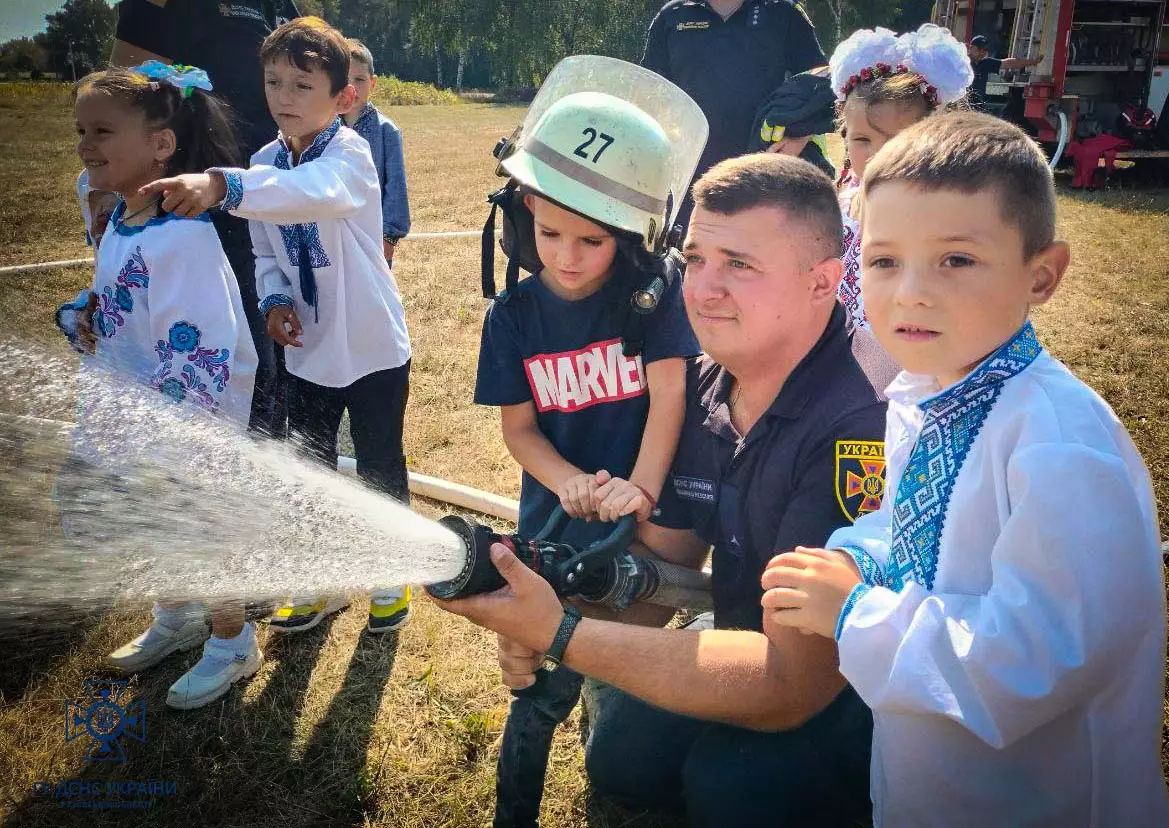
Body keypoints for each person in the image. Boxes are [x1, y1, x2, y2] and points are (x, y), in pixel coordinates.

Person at [438, 153, 899, 827]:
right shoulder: (712, 385)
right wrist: (547, 622)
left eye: (739, 264)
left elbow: (793, 684)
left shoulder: (859, 420)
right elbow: (666, 561)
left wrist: (562, 632)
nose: (702, 288)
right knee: (623, 761)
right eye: (694, 256)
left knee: (731, 793)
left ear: (821, 282)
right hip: (752, 634)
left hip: (849, 681)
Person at [761, 112, 1169, 826]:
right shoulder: (926, 388)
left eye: (955, 260)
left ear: (1040, 276)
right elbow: (928, 535)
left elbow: (1041, 659)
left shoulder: (1057, 442)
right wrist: (859, 555)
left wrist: (857, 614)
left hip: (1039, 796)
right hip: (934, 773)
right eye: (884, 260)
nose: (910, 292)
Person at [139, 17, 414, 634]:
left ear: (343, 97)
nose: (284, 98)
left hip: (371, 345)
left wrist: (219, 184)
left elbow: (309, 193)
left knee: (378, 464)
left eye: (302, 85)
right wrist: (271, 302)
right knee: (311, 466)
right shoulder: (263, 162)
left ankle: (390, 577)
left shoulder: (350, 154)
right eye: (274, 82)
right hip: (307, 347)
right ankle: (317, 583)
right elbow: (264, 250)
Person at [474, 84, 701, 827]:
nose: (567, 258)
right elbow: (519, 432)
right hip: (552, 521)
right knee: (533, 683)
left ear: (632, 238)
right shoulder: (512, 318)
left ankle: (611, 733)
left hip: (642, 520)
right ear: (522, 218)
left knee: (612, 656)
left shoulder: (653, 299)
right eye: (550, 236)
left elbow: (670, 398)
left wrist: (639, 489)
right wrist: (570, 484)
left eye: (592, 241)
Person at [58, 63, 261, 710]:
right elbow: (121, 297)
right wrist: (85, 310)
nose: (87, 145)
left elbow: (201, 340)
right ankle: (174, 616)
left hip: (185, 417)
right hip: (132, 405)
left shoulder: (181, 237)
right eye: (81, 130)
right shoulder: (120, 220)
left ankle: (232, 641)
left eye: (102, 131)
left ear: (160, 145)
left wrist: (172, 428)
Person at [111, 0, 301, 441]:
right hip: (201, 222)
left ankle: (265, 471)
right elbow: (121, 101)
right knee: (229, 369)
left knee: (276, 369)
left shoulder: (281, 5)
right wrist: (108, 193)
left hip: (271, 216)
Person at [831, 24, 972, 332]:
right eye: (862, 140)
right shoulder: (841, 204)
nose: (877, 156)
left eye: (896, 140)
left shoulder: (940, 213)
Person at [641, 0, 827, 229]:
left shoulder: (783, 12)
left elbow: (820, 80)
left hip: (763, 176)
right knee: (691, 256)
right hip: (688, 179)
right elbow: (648, 93)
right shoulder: (673, 15)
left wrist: (798, 138)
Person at [343, 38, 411, 270]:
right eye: (344, 79)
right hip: (334, 236)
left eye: (359, 80)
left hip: (373, 237)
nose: (351, 87)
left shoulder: (386, 131)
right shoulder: (324, 129)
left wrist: (389, 235)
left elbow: (396, 186)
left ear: (372, 83)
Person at [967, 34, 1041, 110]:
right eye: (979, 49)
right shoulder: (962, 63)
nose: (982, 53)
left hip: (977, 106)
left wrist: (1033, 62)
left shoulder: (985, 63)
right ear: (971, 48)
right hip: (963, 104)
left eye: (985, 50)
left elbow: (1009, 63)